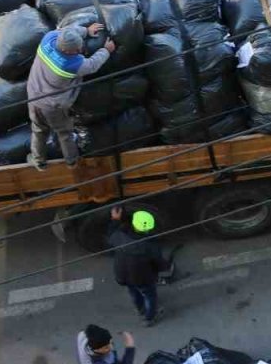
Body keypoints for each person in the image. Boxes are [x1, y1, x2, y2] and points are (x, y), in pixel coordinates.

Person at [26, 24, 113, 171]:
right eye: (76, 50)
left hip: (33, 97)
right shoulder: (71, 64)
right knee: (64, 132)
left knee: (38, 129)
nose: (79, 51)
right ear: (66, 50)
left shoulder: (49, 39)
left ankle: (38, 161)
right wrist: (106, 50)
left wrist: (86, 31)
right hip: (52, 106)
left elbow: (66, 31)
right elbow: (92, 65)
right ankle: (72, 162)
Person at [109, 206, 166, 327]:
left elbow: (111, 233)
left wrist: (115, 219)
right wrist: (164, 267)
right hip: (143, 278)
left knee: (134, 293)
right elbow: (159, 263)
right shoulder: (150, 246)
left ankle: (140, 309)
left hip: (123, 275)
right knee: (150, 296)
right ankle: (149, 317)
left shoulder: (119, 236)